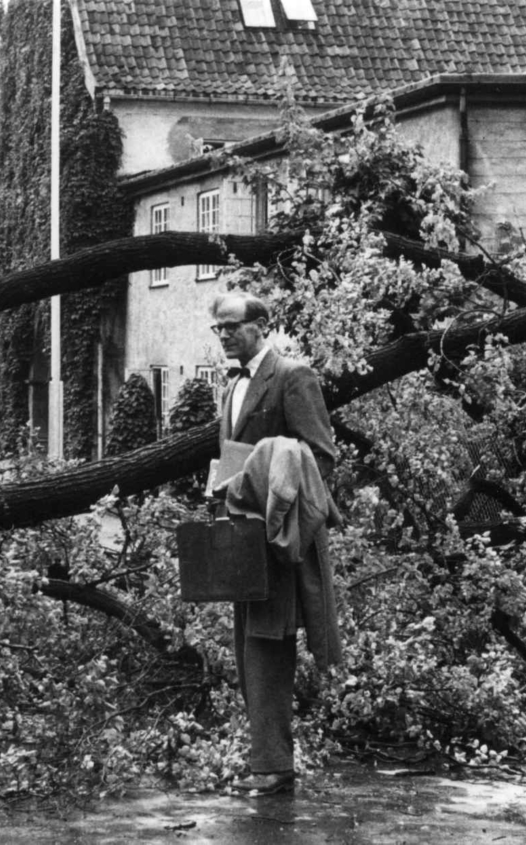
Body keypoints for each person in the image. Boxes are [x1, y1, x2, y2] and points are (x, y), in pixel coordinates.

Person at [208, 290, 342, 794]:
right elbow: (232, 456)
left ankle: (272, 769)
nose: (223, 335)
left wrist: (268, 489)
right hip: (241, 536)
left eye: (232, 326)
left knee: (267, 649)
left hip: (280, 537)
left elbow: (320, 458)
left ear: (261, 324)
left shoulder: (292, 376)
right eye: (217, 328)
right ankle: (267, 761)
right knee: (246, 649)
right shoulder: (229, 387)